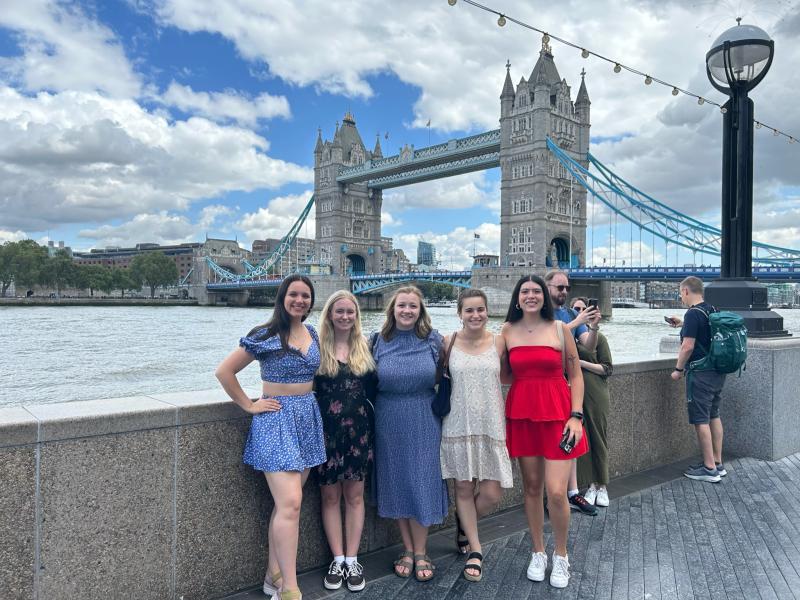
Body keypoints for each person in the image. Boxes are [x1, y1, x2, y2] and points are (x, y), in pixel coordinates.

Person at [215, 274, 325, 600]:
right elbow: (224, 371)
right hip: (276, 420)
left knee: (285, 506)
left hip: (306, 419)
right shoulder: (265, 334)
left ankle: (272, 574)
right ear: (283, 297)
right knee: (291, 503)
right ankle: (289, 588)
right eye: (294, 294)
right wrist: (249, 404)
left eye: (305, 296)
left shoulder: (313, 332)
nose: (300, 300)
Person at [501, 274, 587, 589]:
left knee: (556, 491)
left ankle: (561, 555)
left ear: (545, 296)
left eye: (537, 291)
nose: (531, 296)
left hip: (558, 416)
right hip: (523, 414)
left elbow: (576, 376)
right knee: (532, 488)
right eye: (525, 291)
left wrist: (576, 417)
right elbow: (498, 371)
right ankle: (538, 551)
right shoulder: (507, 331)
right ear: (517, 297)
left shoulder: (560, 329)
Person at [370, 285, 448, 582]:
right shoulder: (377, 341)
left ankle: (421, 550)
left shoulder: (433, 340)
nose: (406, 311)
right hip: (388, 419)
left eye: (412, 306)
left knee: (423, 480)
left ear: (420, 311)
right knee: (398, 481)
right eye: (401, 305)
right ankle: (407, 548)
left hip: (424, 417)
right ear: (392, 309)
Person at [440, 288, 513, 582]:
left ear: (487, 311)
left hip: (491, 424)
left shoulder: (499, 341)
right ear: (460, 314)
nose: (475, 315)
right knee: (463, 489)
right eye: (469, 310)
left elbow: (510, 374)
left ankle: (463, 522)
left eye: (480, 309)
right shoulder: (448, 342)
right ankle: (476, 549)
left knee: (492, 493)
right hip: (457, 424)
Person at [314, 290, 377, 593]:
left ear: (357, 316)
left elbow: (375, 390)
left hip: (359, 434)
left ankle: (353, 559)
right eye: (339, 311)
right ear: (329, 314)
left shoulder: (366, 347)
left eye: (350, 312)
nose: (345, 317)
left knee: (354, 497)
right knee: (329, 498)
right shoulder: (316, 349)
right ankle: (337, 559)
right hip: (325, 433)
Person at [543, 269, 600, 516]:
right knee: (545, 444)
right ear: (546, 288)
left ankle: (571, 493)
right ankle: (550, 498)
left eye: (566, 287)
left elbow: (586, 344)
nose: (564, 292)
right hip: (544, 386)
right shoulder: (537, 313)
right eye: (559, 287)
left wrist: (593, 327)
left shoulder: (569, 314)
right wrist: (576, 323)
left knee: (570, 439)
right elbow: (546, 339)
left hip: (566, 387)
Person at [667, 276, 726, 483]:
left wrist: (677, 369)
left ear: (685, 291)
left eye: (680, 292)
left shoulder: (693, 313)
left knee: (700, 419)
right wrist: (683, 324)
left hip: (700, 374)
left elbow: (688, 346)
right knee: (714, 415)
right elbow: (705, 333)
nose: (680, 297)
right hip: (717, 371)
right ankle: (717, 462)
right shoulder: (712, 310)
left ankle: (709, 469)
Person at [571, 297, 613, 507]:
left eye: (582, 308)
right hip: (575, 396)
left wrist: (581, 363)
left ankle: (602, 485)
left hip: (596, 393)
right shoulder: (568, 339)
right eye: (576, 309)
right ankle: (590, 486)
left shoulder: (598, 338)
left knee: (598, 438)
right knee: (582, 441)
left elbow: (607, 368)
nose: (579, 311)